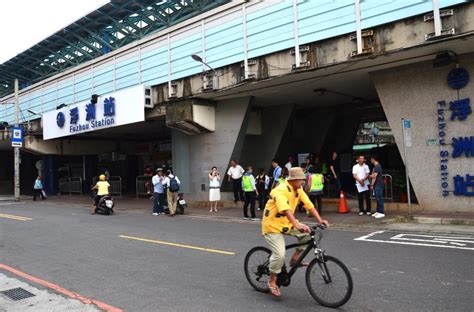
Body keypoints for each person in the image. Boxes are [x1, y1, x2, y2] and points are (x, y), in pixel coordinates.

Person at [262, 167, 329, 297]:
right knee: (280, 254)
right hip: (272, 226)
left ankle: (294, 259)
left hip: (286, 223)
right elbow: (286, 210)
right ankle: (272, 281)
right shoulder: (280, 190)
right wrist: (297, 225)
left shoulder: (298, 189)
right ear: (293, 180)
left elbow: (309, 205)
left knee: (308, 235)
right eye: (300, 180)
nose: (302, 183)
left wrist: (320, 220)